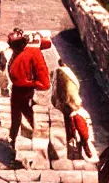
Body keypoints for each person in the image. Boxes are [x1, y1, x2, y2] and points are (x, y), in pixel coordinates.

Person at [7, 30, 50, 160]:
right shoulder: (17, 53)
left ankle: (25, 142)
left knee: (23, 114)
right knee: (17, 115)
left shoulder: (33, 53)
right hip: (17, 90)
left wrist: (30, 83)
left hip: (25, 90)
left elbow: (44, 82)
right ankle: (15, 139)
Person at [52, 64, 84, 155]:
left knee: (68, 123)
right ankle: (72, 142)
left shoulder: (59, 73)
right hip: (69, 105)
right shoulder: (68, 78)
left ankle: (70, 139)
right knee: (72, 124)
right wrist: (76, 103)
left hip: (64, 103)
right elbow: (72, 94)